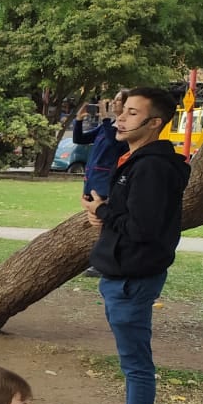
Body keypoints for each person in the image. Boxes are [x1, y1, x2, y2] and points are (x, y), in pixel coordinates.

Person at [79, 86, 189, 404]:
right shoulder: (140, 161)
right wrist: (105, 212)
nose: (120, 119)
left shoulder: (154, 167)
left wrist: (105, 214)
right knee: (131, 362)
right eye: (122, 111)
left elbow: (142, 228)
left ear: (154, 122)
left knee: (137, 364)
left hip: (133, 278)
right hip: (122, 273)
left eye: (131, 113)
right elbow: (135, 219)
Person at [72, 92, 128, 277]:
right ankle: (99, 259)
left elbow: (114, 142)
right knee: (96, 222)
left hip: (105, 181)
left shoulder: (121, 129)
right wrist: (78, 120)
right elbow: (80, 139)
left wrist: (104, 115)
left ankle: (104, 263)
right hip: (92, 179)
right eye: (114, 98)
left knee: (105, 221)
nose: (113, 102)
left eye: (118, 99)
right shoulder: (108, 126)